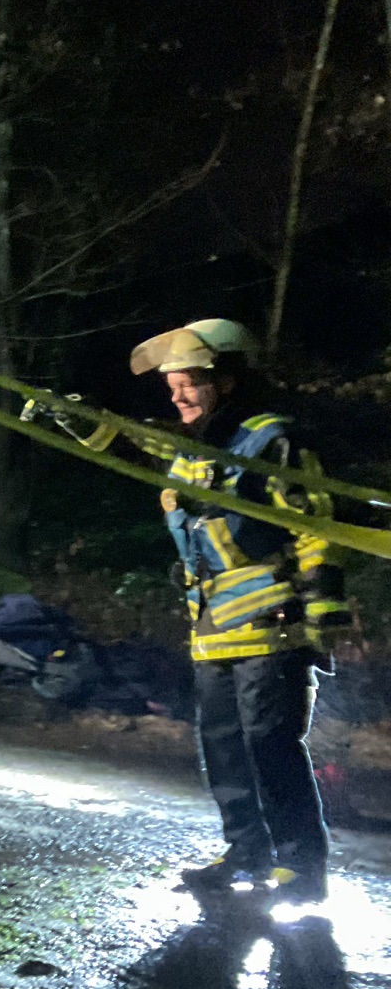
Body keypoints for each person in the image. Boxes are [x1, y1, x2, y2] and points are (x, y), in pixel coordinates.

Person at [129, 319, 351, 904]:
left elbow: (314, 529)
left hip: (272, 625)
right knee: (223, 748)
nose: (178, 397)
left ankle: (299, 867)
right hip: (212, 626)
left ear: (226, 382)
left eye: (190, 385)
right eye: (172, 387)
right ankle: (246, 852)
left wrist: (321, 615)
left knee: (270, 746)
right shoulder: (192, 450)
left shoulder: (271, 442)